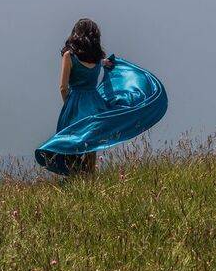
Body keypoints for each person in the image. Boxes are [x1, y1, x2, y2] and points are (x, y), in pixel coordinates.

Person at [34, 18, 168, 176]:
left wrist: (68, 104)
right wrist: (106, 63)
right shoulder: (97, 58)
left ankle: (76, 177)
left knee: (70, 144)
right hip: (95, 103)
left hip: (75, 102)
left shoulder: (69, 56)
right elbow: (103, 63)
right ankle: (89, 176)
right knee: (91, 144)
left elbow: (63, 87)